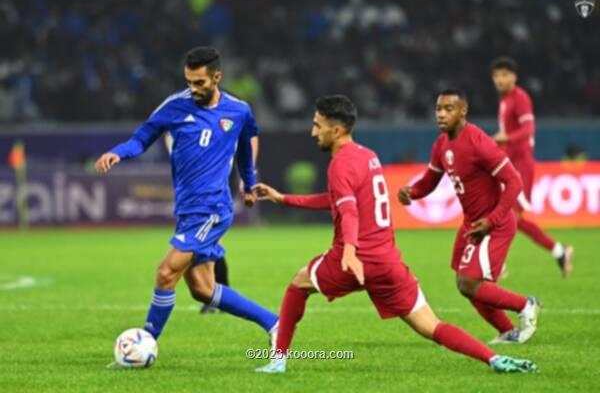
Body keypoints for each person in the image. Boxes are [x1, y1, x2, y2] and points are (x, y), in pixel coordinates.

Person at [253, 95, 538, 374]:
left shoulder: (339, 164)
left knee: (298, 284)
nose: (313, 132)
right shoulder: (369, 156)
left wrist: (350, 251)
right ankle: (494, 359)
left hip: (355, 259)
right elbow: (338, 200)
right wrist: (284, 198)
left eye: (317, 125)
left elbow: (348, 211)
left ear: (336, 130)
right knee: (432, 326)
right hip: (388, 263)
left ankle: (278, 361)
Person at [95, 46, 278, 346]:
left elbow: (246, 148)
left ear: (217, 77)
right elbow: (142, 138)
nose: (193, 88)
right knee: (203, 289)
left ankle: (145, 343)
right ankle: (274, 323)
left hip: (213, 208)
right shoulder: (175, 106)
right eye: (189, 82)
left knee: (166, 272)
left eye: (199, 82)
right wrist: (118, 152)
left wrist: (249, 183)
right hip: (187, 210)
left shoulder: (239, 111)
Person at [398, 89, 542, 345]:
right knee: (466, 285)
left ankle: (526, 304)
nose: (441, 114)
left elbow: (514, 181)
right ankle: (507, 331)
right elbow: (429, 182)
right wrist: (411, 192)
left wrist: (492, 220)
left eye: (448, 109)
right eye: (438, 109)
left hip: (495, 224)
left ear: (463, 111)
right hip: (472, 224)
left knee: (469, 283)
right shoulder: (441, 144)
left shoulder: (478, 142)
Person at [491, 57, 573, 277]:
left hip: (521, 166)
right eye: (496, 76)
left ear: (514, 77)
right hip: (509, 163)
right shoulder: (504, 100)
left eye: (504, 75)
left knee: (510, 215)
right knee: (512, 218)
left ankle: (497, 264)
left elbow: (528, 129)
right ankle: (560, 251)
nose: (500, 80)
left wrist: (506, 137)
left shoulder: (520, 98)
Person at [164, 130, 260, 314]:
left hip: (218, 180)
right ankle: (218, 295)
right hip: (193, 182)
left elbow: (250, 138)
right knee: (208, 240)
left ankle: (217, 295)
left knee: (210, 239)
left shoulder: (231, 114)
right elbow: (169, 136)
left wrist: (247, 174)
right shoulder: (179, 116)